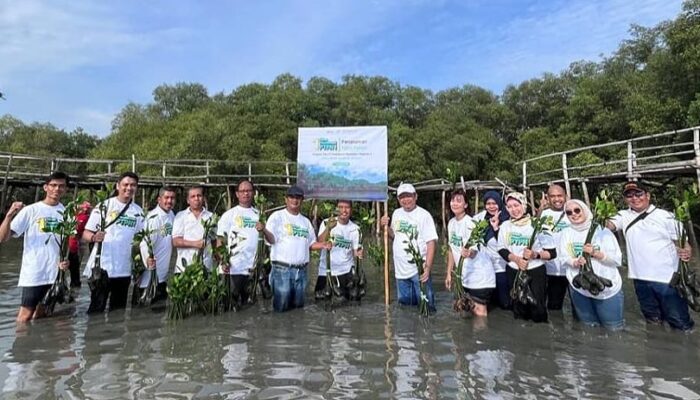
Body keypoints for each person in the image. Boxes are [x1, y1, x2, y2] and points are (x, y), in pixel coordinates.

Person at [607, 181, 694, 331]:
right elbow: (608, 225)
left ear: (647, 195)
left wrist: (686, 252)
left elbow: (684, 244)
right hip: (640, 280)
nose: (634, 198)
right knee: (653, 322)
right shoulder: (623, 215)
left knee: (680, 323)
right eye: (629, 195)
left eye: (638, 193)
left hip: (667, 280)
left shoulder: (666, 216)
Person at [0, 172, 71, 322]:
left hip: (55, 272)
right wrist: (9, 216)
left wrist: (66, 261)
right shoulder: (31, 210)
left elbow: (68, 244)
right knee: (25, 315)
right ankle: (19, 344)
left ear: (65, 189)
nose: (57, 189)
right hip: (34, 272)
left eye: (61, 186)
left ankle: (38, 345)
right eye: (53, 185)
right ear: (46, 187)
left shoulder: (66, 213)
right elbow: (3, 238)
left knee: (43, 314)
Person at [82, 172, 147, 313]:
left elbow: (141, 241)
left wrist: (141, 266)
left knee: (118, 312)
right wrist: (94, 238)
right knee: (96, 310)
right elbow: (86, 233)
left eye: (133, 185)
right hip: (102, 268)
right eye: (126, 184)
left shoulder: (138, 212)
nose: (129, 188)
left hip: (124, 269)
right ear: (118, 186)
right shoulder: (104, 206)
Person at [259, 185, 327, 312]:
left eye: (298, 198)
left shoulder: (305, 221)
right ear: (286, 199)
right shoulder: (277, 217)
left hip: (301, 271)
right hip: (282, 270)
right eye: (291, 197)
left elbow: (311, 244)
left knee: (298, 308)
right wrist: (264, 230)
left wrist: (324, 245)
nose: (294, 200)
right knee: (281, 308)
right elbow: (271, 240)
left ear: (302, 200)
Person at [559, 199, 624, 330]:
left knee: (613, 329)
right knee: (588, 328)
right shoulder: (566, 232)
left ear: (585, 210)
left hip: (605, 287)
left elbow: (617, 260)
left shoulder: (602, 231)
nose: (574, 214)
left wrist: (596, 253)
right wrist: (575, 262)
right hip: (579, 287)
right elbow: (562, 257)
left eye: (577, 210)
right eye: (569, 212)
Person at [497, 192, 557, 323]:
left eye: (517, 205)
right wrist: (517, 259)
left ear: (524, 206)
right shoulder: (505, 226)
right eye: (510, 206)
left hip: (535, 271)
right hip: (514, 270)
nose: (514, 209)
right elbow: (501, 249)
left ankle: (540, 336)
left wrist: (535, 255)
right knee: (518, 306)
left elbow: (552, 253)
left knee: (538, 308)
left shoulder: (537, 224)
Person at [380, 183, 438, 312]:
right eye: (402, 197)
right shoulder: (396, 213)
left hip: (419, 269)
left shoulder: (424, 215)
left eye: (409, 196)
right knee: (406, 310)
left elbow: (431, 243)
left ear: (415, 196)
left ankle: (427, 331)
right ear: (399, 199)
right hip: (400, 271)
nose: (406, 200)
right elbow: (394, 236)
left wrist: (427, 268)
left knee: (427, 308)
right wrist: (385, 227)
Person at [445, 189, 495, 316]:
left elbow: (474, 251)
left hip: (479, 276)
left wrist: (469, 252)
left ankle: (481, 336)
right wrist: (449, 273)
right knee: (464, 309)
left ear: (466, 205)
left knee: (479, 313)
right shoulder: (451, 223)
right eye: (452, 201)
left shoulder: (470, 223)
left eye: (459, 201)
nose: (454, 204)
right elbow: (451, 249)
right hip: (463, 276)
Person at [217, 180, 261, 306]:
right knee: (228, 306)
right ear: (237, 194)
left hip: (251, 269)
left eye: (249, 191)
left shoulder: (258, 214)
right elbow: (220, 240)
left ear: (253, 193)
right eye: (242, 191)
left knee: (250, 308)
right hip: (232, 269)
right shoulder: (229, 215)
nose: (246, 194)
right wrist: (222, 260)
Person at [314, 200, 363, 302]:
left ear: (351, 210)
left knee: (348, 304)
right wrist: (328, 228)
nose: (344, 210)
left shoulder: (355, 228)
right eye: (340, 207)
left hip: (346, 271)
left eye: (347, 207)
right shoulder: (327, 222)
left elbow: (355, 251)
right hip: (326, 272)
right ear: (336, 209)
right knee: (321, 304)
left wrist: (359, 253)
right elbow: (320, 242)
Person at [137, 186, 176, 302]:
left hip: (162, 277)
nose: (169, 201)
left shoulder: (171, 215)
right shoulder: (153, 218)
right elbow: (144, 244)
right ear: (159, 200)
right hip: (149, 280)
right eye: (166, 197)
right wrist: (147, 259)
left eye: (172, 198)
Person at [473, 190, 511, 309]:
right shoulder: (480, 218)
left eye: (494, 203)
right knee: (489, 304)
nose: (491, 207)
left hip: (502, 267)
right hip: (486, 269)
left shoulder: (508, 219)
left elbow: (507, 244)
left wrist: (496, 228)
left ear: (499, 203)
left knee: (505, 303)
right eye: (488, 203)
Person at [538, 184, 571, 310]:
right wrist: (540, 208)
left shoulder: (574, 211)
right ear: (547, 198)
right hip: (553, 270)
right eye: (553, 196)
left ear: (566, 196)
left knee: (580, 309)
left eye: (560, 196)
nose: (557, 199)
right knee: (554, 307)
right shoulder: (543, 215)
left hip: (574, 268)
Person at [172, 186, 215, 273]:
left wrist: (222, 260)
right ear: (188, 200)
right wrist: (196, 244)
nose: (196, 198)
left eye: (199, 196)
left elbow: (215, 241)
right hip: (184, 269)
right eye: (193, 196)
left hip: (206, 267)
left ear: (203, 198)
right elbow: (176, 241)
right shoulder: (180, 216)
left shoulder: (211, 217)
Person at [67, 201, 91, 289]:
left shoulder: (86, 218)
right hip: (69, 246)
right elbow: (70, 206)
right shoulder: (72, 216)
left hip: (76, 246)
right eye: (84, 207)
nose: (85, 209)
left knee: (75, 270)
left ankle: (74, 288)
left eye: (87, 208)